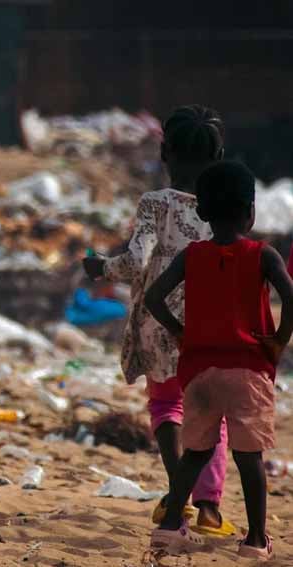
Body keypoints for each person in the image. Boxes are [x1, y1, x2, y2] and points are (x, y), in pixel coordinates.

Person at [82, 105, 234, 535]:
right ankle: (209, 507)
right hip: (208, 322)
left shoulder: (154, 203)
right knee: (210, 412)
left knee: (167, 405)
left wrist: (102, 269)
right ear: (218, 155)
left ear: (165, 155)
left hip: (159, 315)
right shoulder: (222, 208)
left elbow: (136, 260)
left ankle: (177, 494)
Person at [145, 161, 291, 560]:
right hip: (248, 370)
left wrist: (179, 331)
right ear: (250, 211)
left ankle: (171, 525)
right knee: (250, 459)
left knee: (195, 453)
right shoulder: (263, 255)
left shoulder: (192, 256)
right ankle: (256, 540)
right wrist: (278, 340)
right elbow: (291, 296)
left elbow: (153, 297)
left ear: (203, 212)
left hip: (201, 372)